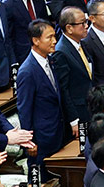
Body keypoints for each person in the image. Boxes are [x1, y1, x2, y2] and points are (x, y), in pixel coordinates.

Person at [17, 19, 69, 171]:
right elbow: (24, 110)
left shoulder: (51, 60)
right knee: (41, 178)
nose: (54, 41)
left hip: (58, 132)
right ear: (36, 41)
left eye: (54, 36)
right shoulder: (27, 71)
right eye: (49, 37)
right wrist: (29, 141)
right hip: (42, 139)